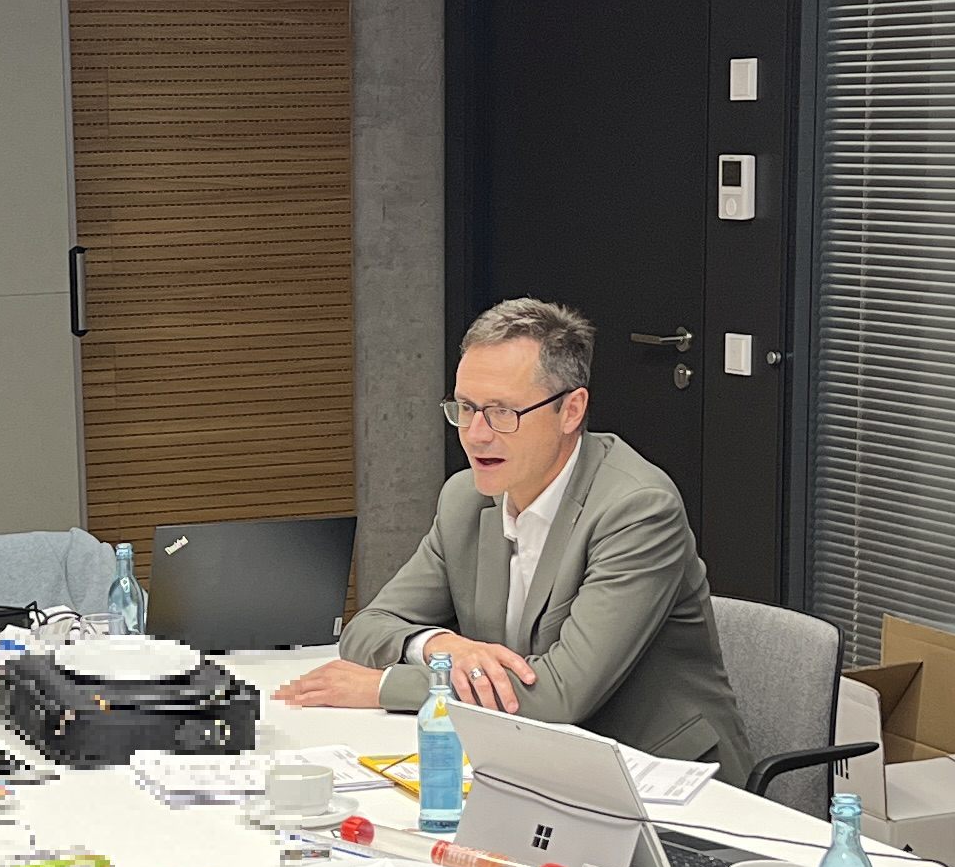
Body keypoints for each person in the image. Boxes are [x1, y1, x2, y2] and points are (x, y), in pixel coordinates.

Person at [279, 297, 747, 772]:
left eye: (503, 412)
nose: (476, 434)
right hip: (528, 759)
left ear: (571, 411)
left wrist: (385, 686)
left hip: (666, 777)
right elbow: (367, 629)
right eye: (466, 408)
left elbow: (562, 693)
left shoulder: (637, 510)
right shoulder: (465, 499)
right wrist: (441, 647)